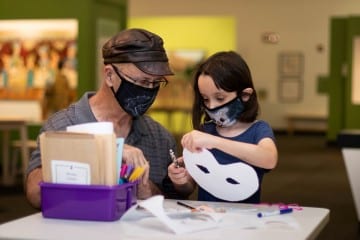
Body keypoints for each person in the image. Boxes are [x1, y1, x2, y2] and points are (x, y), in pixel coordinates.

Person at [26, 28, 188, 209]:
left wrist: (145, 188)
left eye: (155, 83)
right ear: (110, 75)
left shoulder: (160, 137)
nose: (149, 90)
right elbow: (35, 195)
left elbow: (173, 204)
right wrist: (103, 151)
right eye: (142, 82)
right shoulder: (61, 125)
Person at [168, 51, 278, 203]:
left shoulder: (258, 130)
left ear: (245, 95)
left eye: (220, 98)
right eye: (205, 99)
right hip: (207, 219)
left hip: (245, 221)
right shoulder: (206, 131)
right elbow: (189, 187)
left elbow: (269, 159)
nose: (211, 106)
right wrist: (180, 180)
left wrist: (214, 142)